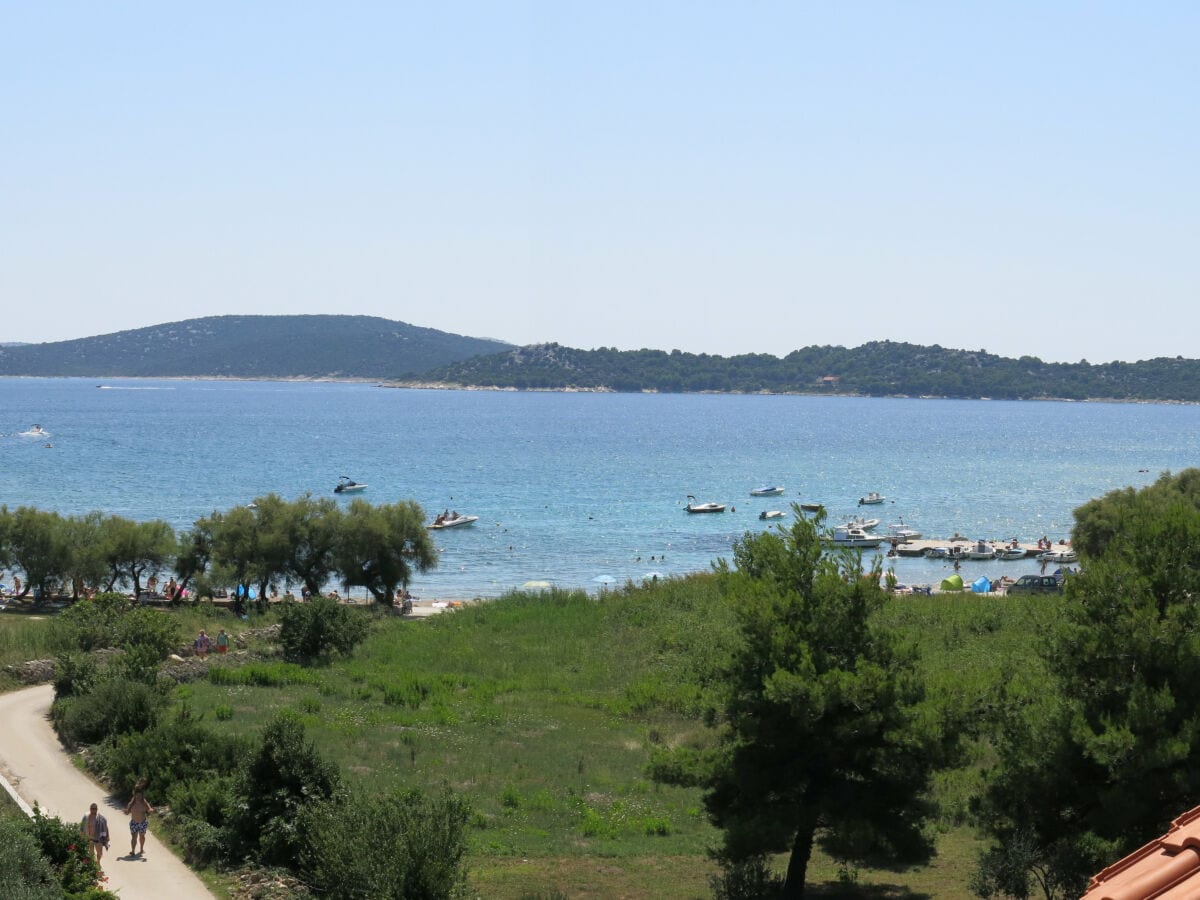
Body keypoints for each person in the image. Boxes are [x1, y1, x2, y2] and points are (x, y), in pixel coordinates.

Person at [124, 782, 154, 856]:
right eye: (137, 796)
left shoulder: (144, 802)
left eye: (139, 796)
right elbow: (127, 812)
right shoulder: (132, 803)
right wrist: (125, 811)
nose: (138, 797)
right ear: (135, 795)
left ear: (142, 796)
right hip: (134, 822)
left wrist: (150, 810)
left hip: (142, 822)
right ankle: (133, 851)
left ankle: (141, 849)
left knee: (142, 837)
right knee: (134, 837)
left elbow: (149, 808)